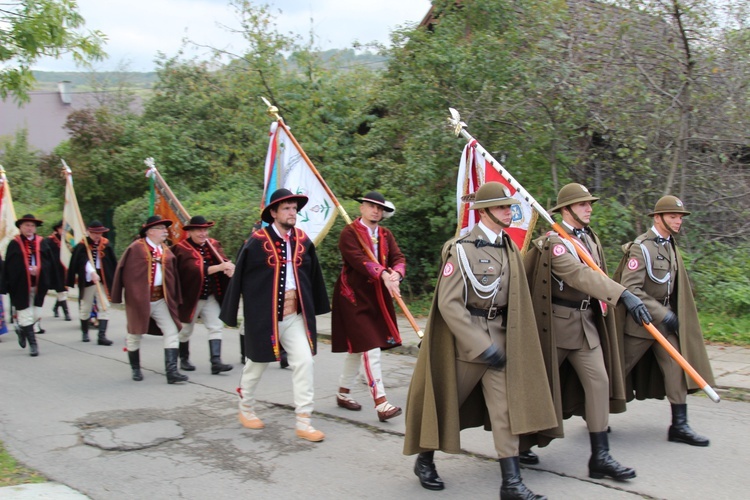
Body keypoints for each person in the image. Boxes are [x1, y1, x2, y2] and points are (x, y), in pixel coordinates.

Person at [403, 182, 557, 499]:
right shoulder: (461, 249)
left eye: (510, 206)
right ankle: (425, 460)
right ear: (485, 211)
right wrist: (480, 344)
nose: (510, 212)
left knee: (505, 412)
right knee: (446, 406)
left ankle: (511, 484)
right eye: (502, 207)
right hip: (465, 346)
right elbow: (449, 303)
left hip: (499, 340)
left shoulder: (509, 247)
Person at [522, 183, 652, 481]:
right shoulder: (554, 242)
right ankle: (519, 444)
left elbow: (597, 274)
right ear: (566, 210)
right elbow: (579, 275)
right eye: (582, 205)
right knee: (538, 388)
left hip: (586, 324)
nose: (589, 208)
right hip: (556, 327)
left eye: (589, 204)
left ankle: (600, 456)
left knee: (599, 383)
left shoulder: (589, 239)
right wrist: (624, 295)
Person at [220, 189, 331, 442]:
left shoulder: (303, 240)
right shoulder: (256, 241)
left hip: (294, 316)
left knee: (304, 361)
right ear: (273, 213)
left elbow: (314, 276)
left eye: (294, 209)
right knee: (256, 364)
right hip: (264, 317)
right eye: (287, 209)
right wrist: (232, 311)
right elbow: (239, 279)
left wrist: (318, 306)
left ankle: (304, 421)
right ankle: (245, 407)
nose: (292, 213)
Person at [614, 195, 714, 446]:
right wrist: (662, 314)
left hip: (664, 325)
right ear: (658, 218)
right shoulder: (641, 247)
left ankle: (679, 425)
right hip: (641, 325)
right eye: (673, 216)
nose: (678, 221)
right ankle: (594, 417)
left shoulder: (670, 246)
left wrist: (671, 314)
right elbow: (630, 289)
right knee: (616, 373)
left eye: (680, 217)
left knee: (676, 369)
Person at [331, 191, 404, 422]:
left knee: (358, 348)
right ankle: (381, 403)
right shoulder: (348, 233)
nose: (376, 211)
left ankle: (343, 393)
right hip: (352, 297)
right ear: (361, 207)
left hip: (377, 297)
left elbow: (398, 258)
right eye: (371, 206)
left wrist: (396, 275)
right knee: (370, 346)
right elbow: (358, 261)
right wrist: (382, 272)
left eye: (380, 208)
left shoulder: (386, 234)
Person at [111, 215, 187, 384]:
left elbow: (173, 275)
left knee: (172, 330)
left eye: (165, 229)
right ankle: (136, 368)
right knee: (135, 333)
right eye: (161, 229)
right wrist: (121, 295)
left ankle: (172, 371)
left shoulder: (166, 250)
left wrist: (176, 296)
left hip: (161, 299)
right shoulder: (135, 249)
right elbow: (123, 272)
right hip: (139, 300)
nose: (165, 232)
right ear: (150, 231)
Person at [172, 215, 235, 374]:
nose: (203, 233)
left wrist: (228, 267)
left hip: (211, 296)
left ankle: (216, 362)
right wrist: (221, 267)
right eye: (199, 230)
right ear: (190, 232)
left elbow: (223, 260)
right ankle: (184, 358)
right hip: (191, 297)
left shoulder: (213, 244)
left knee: (216, 326)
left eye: (205, 230)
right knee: (185, 329)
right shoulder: (182, 249)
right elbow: (195, 270)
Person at [1, 214, 52, 356]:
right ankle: (33, 346)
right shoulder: (14, 244)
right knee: (25, 315)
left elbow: (49, 263)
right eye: (26, 225)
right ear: (21, 227)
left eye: (32, 226)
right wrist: (26, 270)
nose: (29, 228)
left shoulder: (42, 243)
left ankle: (21, 329)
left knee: (36, 315)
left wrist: (40, 270)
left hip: (38, 285)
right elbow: (11, 267)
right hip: (20, 286)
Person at [66, 220, 117, 345]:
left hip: (102, 280)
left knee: (105, 306)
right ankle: (85, 332)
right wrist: (91, 272)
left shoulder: (106, 244)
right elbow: (81, 262)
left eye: (99, 233)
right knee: (85, 307)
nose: (97, 235)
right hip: (88, 281)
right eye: (94, 233)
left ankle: (102, 336)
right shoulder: (82, 246)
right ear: (89, 232)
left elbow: (111, 263)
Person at [44, 221, 71, 321]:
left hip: (65, 269)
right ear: (57, 229)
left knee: (63, 291)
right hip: (54, 269)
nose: (63, 231)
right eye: (61, 228)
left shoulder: (68, 239)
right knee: (61, 290)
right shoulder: (49, 241)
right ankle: (66, 313)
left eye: (65, 229)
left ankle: (55, 308)